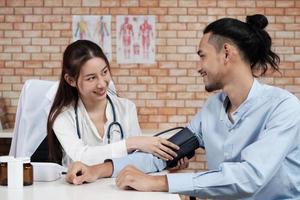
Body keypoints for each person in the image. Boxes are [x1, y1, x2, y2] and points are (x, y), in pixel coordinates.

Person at [65, 14, 300, 199]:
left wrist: (158, 182)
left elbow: (250, 178)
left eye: (202, 56)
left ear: (226, 53)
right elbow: (164, 153)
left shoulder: (283, 108)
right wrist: (97, 170)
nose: (199, 66)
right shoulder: (212, 109)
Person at [47, 40, 181, 167]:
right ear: (70, 80)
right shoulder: (62, 115)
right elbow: (81, 156)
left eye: (104, 72)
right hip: (76, 189)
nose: (102, 83)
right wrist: (131, 143)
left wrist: (167, 164)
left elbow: (138, 158)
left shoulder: (126, 108)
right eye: (91, 78)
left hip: (120, 187)